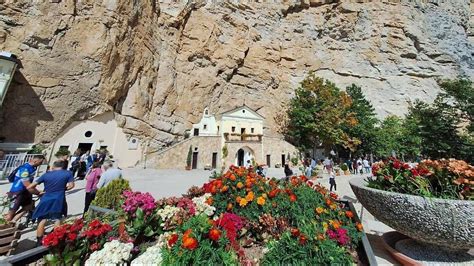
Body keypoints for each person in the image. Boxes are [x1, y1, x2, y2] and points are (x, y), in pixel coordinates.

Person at [28, 160, 74, 246]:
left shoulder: (46, 174)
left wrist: (38, 192)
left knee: (42, 220)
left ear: (54, 165)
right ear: (63, 166)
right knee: (57, 219)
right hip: (59, 199)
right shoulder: (68, 173)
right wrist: (62, 189)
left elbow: (30, 187)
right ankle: (56, 240)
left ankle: (39, 242)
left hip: (45, 198)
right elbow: (71, 185)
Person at [5, 155, 45, 222]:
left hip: (26, 192)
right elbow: (27, 185)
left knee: (28, 206)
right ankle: (6, 225)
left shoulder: (33, 168)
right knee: (11, 213)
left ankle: (13, 222)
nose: (40, 164)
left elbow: (30, 183)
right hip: (17, 192)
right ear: (35, 161)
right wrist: (38, 192)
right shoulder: (24, 169)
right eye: (40, 162)